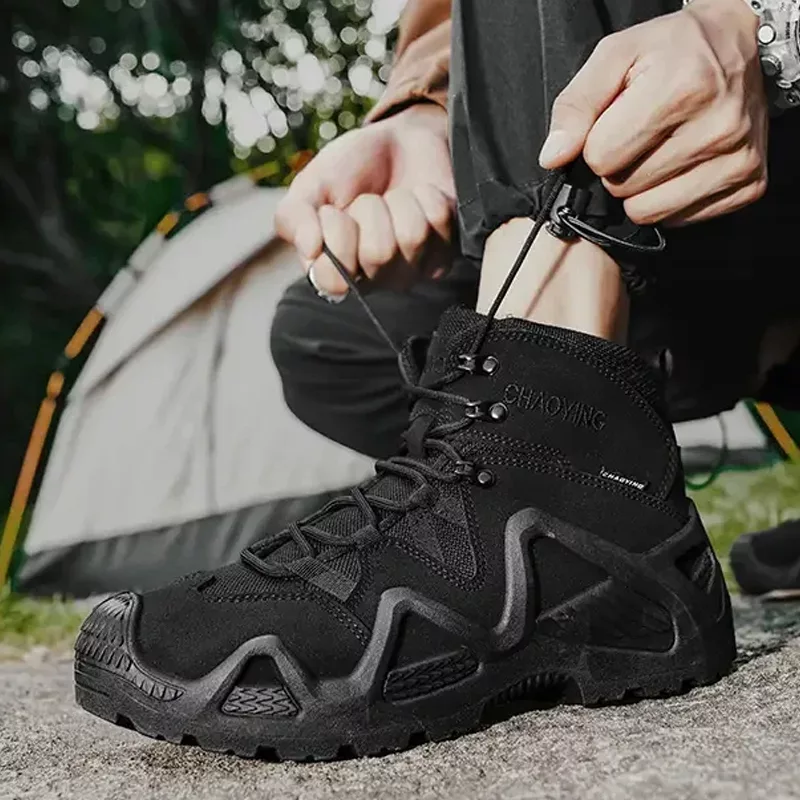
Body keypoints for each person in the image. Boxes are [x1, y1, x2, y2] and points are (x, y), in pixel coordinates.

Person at [74, 0, 800, 760]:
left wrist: (758, 27)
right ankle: (600, 531)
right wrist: (428, 114)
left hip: (762, 102)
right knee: (332, 338)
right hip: (694, 195)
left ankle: (540, 458)